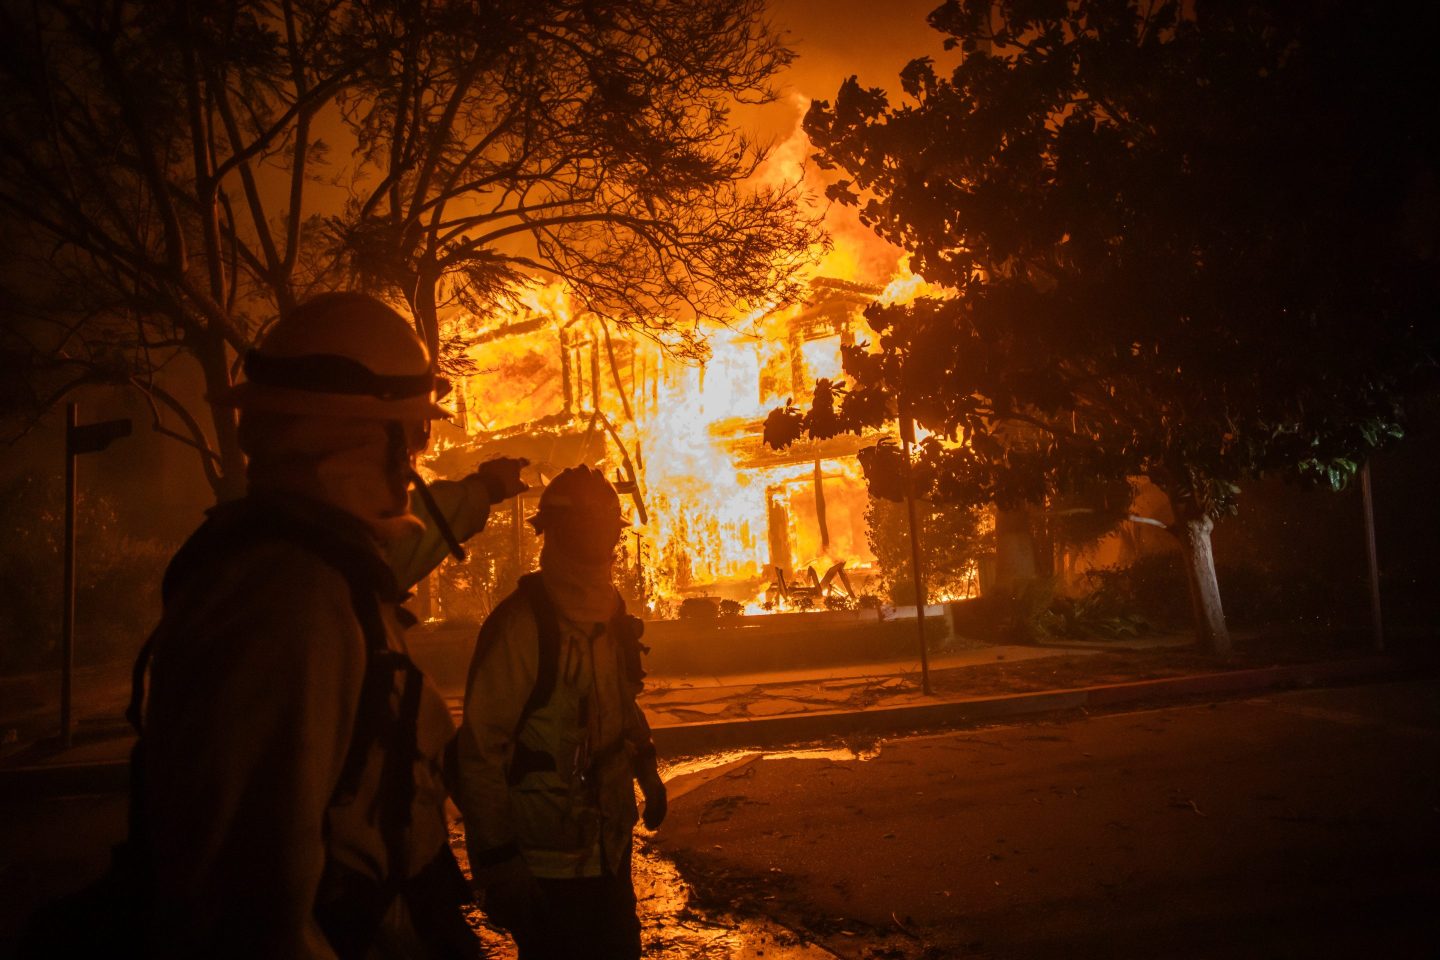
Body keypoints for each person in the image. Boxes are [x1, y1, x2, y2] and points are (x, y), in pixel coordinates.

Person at [132, 292, 523, 958]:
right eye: (416, 432)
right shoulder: (288, 601)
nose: (418, 458)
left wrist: (480, 494)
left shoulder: (313, 562)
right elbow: (250, 914)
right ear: (373, 438)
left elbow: (408, 547)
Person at [455, 466, 667, 960]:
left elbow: (620, 703)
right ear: (560, 530)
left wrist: (647, 772)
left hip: (608, 848)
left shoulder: (608, 608)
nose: (605, 539)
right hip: (544, 861)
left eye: (608, 525)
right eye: (593, 525)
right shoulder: (521, 628)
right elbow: (480, 754)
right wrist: (500, 860)